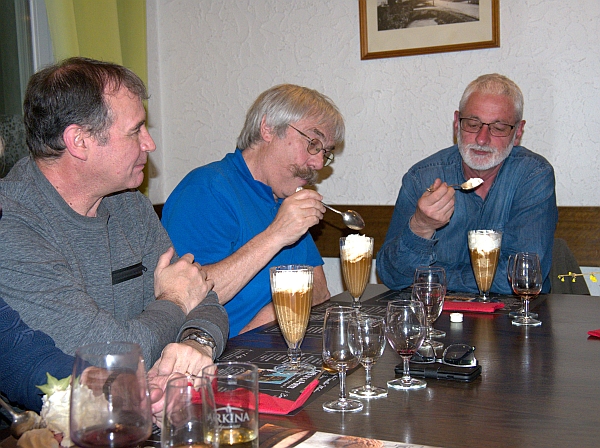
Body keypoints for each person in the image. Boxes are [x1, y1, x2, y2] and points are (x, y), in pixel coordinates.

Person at [0, 57, 228, 378]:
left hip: (137, 404)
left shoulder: (128, 203)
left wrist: (196, 344)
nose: (150, 143)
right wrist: (175, 301)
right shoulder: (11, 224)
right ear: (79, 141)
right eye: (135, 131)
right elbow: (104, 354)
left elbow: (202, 297)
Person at [161, 84, 345, 336]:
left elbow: (320, 291)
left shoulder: (285, 196)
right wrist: (275, 235)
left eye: (325, 152)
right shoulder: (206, 189)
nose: (318, 163)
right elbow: (189, 297)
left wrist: (275, 311)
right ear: (268, 129)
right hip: (224, 361)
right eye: (313, 143)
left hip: (282, 354)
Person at [377, 73, 558, 294]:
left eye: (498, 128)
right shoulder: (422, 177)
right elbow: (392, 277)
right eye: (472, 124)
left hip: (515, 320)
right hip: (436, 320)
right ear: (456, 123)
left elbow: (521, 278)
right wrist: (421, 226)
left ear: (518, 131)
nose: (482, 139)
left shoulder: (533, 175)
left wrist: (431, 276)